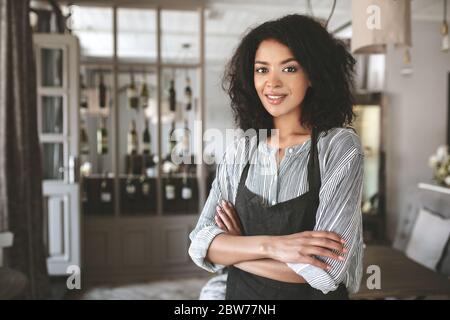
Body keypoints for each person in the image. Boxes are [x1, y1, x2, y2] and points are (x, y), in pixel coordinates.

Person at [189, 14, 364, 300]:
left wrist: (236, 249)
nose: (272, 83)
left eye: (289, 69)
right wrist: (272, 247)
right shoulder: (241, 149)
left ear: (313, 75)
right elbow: (200, 242)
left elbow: (327, 270)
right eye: (261, 70)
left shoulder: (339, 147)